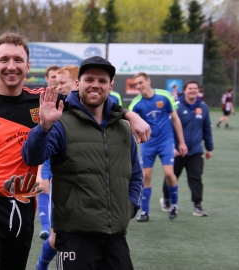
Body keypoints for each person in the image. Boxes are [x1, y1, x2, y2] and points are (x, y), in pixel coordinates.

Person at [0, 32, 151, 270]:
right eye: (5, 60)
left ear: (28, 66)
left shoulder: (43, 101)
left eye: (18, 60)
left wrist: (128, 114)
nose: (12, 66)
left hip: (23, 207)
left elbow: (89, 96)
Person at [22, 56, 144, 270]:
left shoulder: (123, 128)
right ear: (78, 84)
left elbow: (135, 174)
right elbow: (32, 157)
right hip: (74, 237)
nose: (95, 85)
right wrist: (43, 126)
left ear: (110, 86)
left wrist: (130, 207)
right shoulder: (61, 123)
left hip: (115, 237)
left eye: (102, 80)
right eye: (89, 79)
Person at [129, 72, 188, 222]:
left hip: (166, 141)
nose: (139, 86)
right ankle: (145, 212)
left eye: (141, 82)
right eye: (136, 84)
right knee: (146, 176)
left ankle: (174, 205)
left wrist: (181, 142)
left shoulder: (164, 96)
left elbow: (175, 119)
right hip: (148, 143)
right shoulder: (136, 103)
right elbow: (130, 124)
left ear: (148, 81)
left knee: (169, 173)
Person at [36, 65, 79, 270]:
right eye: (55, 81)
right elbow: (38, 143)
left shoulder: (99, 107)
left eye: (61, 82)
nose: (57, 85)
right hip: (55, 167)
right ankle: (42, 264)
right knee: (58, 237)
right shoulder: (51, 105)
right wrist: (39, 172)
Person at [161, 80, 213, 216]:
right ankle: (166, 199)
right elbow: (168, 129)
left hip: (196, 150)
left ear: (198, 91)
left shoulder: (203, 107)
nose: (193, 90)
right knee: (171, 175)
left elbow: (207, 129)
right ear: (184, 91)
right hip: (177, 150)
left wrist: (209, 148)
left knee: (195, 177)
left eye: (195, 88)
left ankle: (198, 206)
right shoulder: (176, 106)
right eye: (190, 88)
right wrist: (171, 146)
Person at [38, 64, 61, 241]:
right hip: (45, 153)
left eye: (58, 77)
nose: (55, 80)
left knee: (59, 190)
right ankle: (45, 227)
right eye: (52, 76)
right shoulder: (38, 99)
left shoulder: (66, 101)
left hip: (61, 153)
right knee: (43, 187)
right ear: (47, 79)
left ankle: (54, 225)